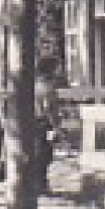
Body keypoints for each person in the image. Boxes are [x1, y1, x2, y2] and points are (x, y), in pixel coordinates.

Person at [33, 54, 62, 194]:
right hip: (43, 123)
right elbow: (49, 108)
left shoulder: (34, 85)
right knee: (43, 155)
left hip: (34, 123)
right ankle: (41, 185)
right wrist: (56, 126)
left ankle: (38, 184)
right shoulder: (48, 88)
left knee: (39, 155)